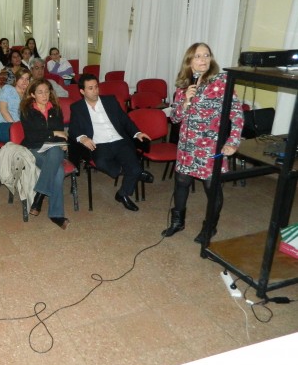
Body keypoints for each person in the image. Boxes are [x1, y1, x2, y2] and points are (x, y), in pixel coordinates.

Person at [162, 42, 244, 243]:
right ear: (189, 61)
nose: (203, 60)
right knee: (181, 182)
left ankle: (210, 227)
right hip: (187, 146)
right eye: (198, 56)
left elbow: (237, 114)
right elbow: (175, 119)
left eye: (206, 55)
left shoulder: (221, 82)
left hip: (209, 148)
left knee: (212, 188)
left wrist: (233, 142)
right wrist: (185, 101)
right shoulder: (183, 86)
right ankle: (177, 222)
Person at [68, 74, 154, 212]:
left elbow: (125, 120)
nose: (95, 90)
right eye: (90, 88)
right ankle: (134, 173)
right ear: (82, 91)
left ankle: (122, 195)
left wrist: (137, 133)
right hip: (99, 143)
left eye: (96, 87)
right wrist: (82, 137)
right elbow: (73, 129)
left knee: (135, 165)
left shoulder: (110, 101)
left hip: (119, 140)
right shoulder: (77, 107)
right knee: (102, 163)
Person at [20, 78, 70, 230]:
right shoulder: (26, 110)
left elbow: (61, 135)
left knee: (55, 150)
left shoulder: (55, 109)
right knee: (59, 171)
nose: (44, 95)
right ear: (33, 94)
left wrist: (62, 143)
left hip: (54, 148)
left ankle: (39, 196)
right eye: (40, 92)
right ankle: (56, 214)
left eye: (47, 91)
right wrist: (53, 133)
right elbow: (32, 136)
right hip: (34, 149)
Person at [0, 67, 30, 142]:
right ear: (16, 79)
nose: (24, 81)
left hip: (21, 126)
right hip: (2, 124)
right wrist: (16, 127)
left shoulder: (27, 96)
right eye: (21, 78)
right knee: (26, 137)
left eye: (27, 79)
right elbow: (4, 111)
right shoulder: (8, 89)